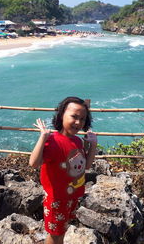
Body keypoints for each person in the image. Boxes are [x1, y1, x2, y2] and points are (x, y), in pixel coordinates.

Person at [29, 97, 97, 244]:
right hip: (57, 200)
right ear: (61, 115)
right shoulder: (53, 141)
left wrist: (93, 145)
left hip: (72, 196)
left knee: (61, 231)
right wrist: (43, 137)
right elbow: (33, 163)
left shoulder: (77, 141)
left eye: (83, 119)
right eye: (74, 116)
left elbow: (86, 165)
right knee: (55, 235)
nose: (78, 122)